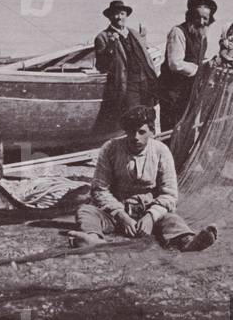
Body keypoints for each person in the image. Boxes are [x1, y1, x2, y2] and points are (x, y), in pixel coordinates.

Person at [71, 106, 218, 251]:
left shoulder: (161, 151)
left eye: (142, 132)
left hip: (148, 212)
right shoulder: (110, 148)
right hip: (116, 213)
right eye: (131, 131)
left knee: (172, 219)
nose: (136, 137)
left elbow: (169, 194)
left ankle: (187, 241)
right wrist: (121, 215)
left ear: (152, 132)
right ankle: (93, 239)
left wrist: (150, 216)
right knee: (85, 211)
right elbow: (99, 189)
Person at [93, 0, 160, 130]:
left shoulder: (134, 33)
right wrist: (111, 48)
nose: (119, 17)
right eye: (115, 14)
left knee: (149, 116)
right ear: (109, 17)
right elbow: (101, 65)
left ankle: (150, 145)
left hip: (145, 81)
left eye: (122, 14)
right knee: (133, 117)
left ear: (126, 15)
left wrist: (143, 38)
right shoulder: (103, 37)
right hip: (128, 85)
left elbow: (143, 55)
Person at [158, 0, 217, 131]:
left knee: (187, 132)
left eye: (205, 18)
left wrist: (210, 63)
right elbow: (175, 63)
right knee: (172, 132)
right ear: (190, 16)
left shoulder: (202, 36)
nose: (201, 22)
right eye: (198, 17)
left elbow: (198, 58)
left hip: (189, 93)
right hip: (172, 94)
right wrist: (201, 68)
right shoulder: (178, 32)